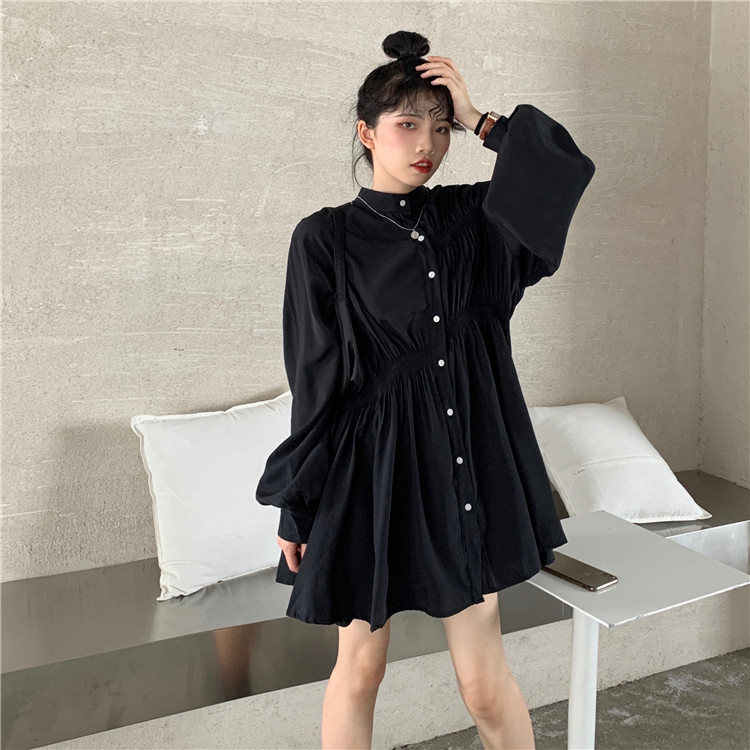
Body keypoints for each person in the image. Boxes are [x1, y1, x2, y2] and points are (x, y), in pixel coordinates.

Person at [256, 29, 596, 750]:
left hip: (467, 464)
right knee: (360, 669)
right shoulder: (324, 240)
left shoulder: (476, 220)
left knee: (483, 681)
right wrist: (298, 503)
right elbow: (315, 379)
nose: (427, 144)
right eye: (408, 124)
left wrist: (479, 118)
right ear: (367, 132)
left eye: (441, 129)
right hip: (371, 474)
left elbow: (561, 168)